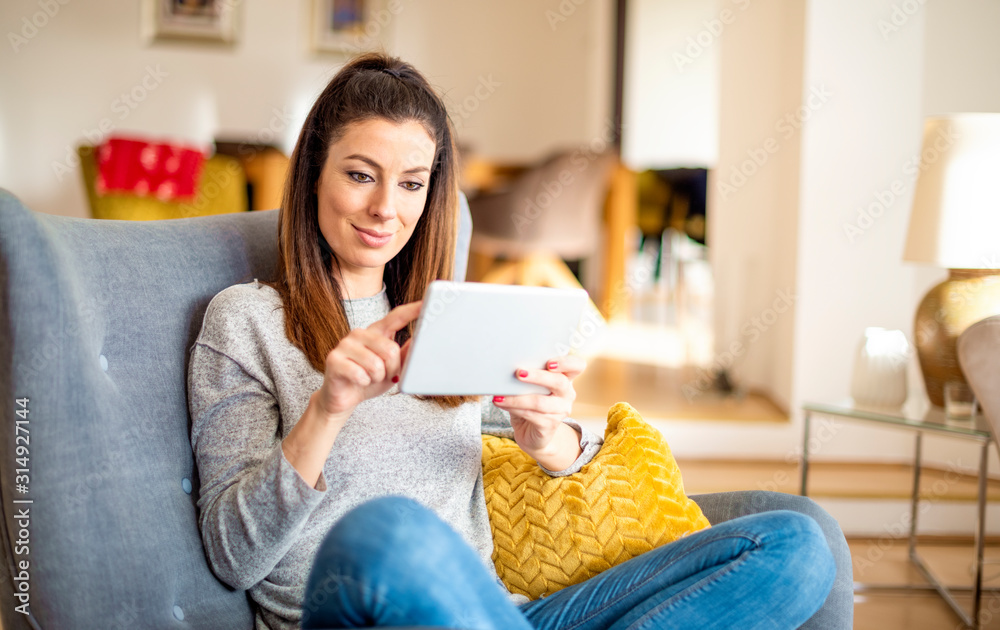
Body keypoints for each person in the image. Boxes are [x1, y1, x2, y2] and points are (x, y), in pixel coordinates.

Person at [187, 52, 836, 630]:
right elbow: (232, 555)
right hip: (356, 612)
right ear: (313, 176)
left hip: (503, 614)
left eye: (411, 183)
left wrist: (551, 439)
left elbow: (539, 438)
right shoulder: (246, 320)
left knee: (796, 545)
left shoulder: (452, 318)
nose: (387, 207)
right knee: (391, 528)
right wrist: (327, 410)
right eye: (361, 175)